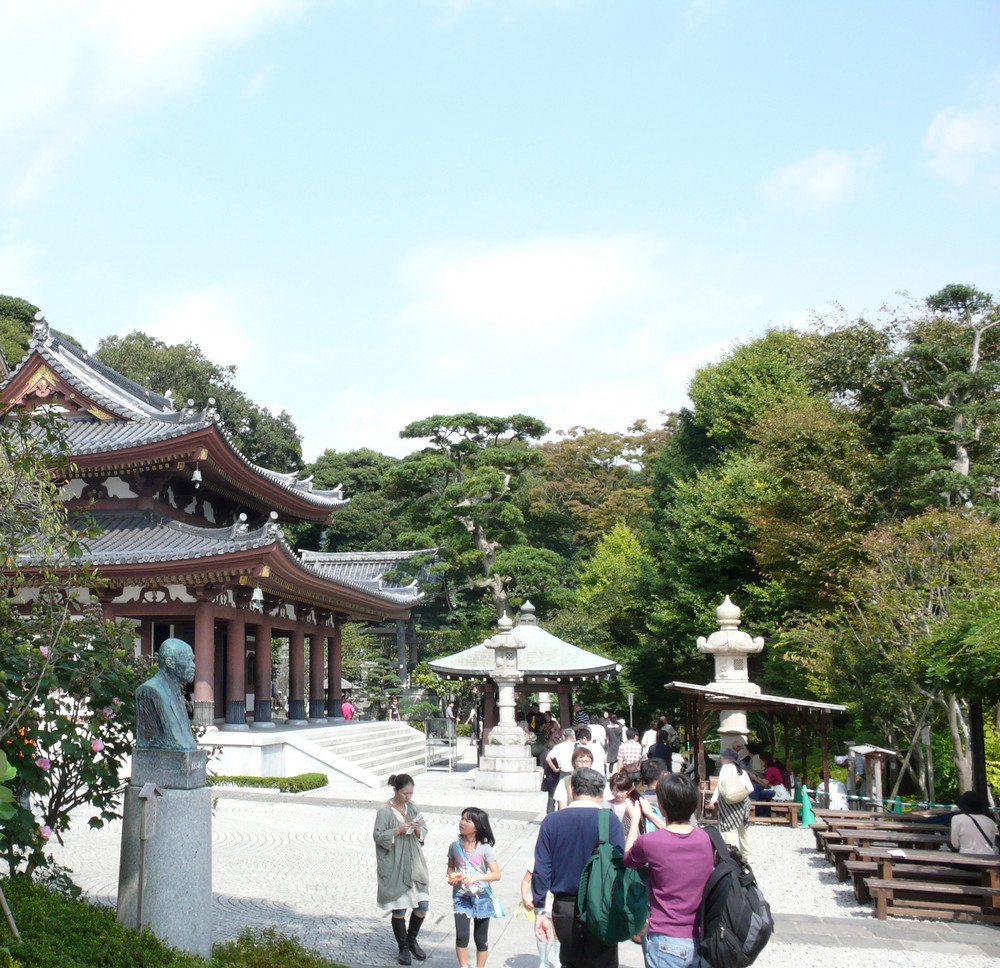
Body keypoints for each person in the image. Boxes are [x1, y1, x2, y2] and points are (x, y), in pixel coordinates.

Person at [532, 768, 626, 968]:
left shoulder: (552, 822)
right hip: (602, 907)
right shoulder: (609, 821)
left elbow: (542, 869)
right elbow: (620, 869)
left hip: (565, 907)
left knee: (570, 962)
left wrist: (540, 909)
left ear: (572, 790)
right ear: (601, 794)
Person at [623, 773, 714, 968]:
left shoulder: (651, 842)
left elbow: (628, 858)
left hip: (666, 938)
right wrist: (653, 816)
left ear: (662, 805)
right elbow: (677, 834)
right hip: (702, 936)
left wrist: (636, 818)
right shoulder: (705, 839)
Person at [373, 774, 429, 965]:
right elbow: (378, 836)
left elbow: (424, 830)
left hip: (414, 861)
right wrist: (397, 831)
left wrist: (418, 830)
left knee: (422, 905)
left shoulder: (412, 807)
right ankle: (403, 947)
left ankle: (412, 941)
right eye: (405, 793)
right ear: (396, 790)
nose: (408, 797)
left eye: (411, 793)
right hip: (396, 863)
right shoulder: (385, 812)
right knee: (399, 909)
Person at [448, 807, 502, 968]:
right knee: (461, 937)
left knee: (481, 939)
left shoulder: (485, 849)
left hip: (482, 897)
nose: (462, 822)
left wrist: (477, 877)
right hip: (461, 897)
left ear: (477, 826)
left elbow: (496, 874)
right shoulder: (455, 847)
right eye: (462, 818)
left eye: (467, 820)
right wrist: (452, 876)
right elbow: (451, 867)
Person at [136, 638, 198, 750]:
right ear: (170, 663)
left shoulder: (176, 692)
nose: (193, 666)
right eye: (189, 660)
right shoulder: (150, 690)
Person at [708, 748, 754, 859]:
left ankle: (734, 856)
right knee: (743, 831)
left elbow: (721, 785)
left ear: (728, 759)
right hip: (743, 803)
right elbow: (750, 789)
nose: (722, 758)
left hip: (729, 804)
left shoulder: (726, 768)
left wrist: (713, 800)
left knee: (730, 829)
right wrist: (741, 795)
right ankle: (747, 855)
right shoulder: (742, 771)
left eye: (723, 757)